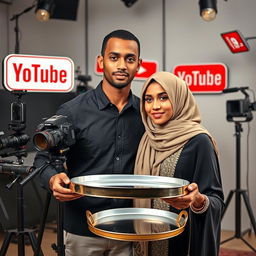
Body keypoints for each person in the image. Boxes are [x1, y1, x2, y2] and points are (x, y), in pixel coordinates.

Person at [33, 29, 145, 256]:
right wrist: (53, 179)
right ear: (101, 61)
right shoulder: (73, 111)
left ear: (138, 64)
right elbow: (42, 160)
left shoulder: (146, 114)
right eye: (114, 57)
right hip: (81, 230)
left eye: (129, 59)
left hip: (129, 230)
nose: (122, 65)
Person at [133, 71, 224, 256]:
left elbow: (215, 200)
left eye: (164, 97)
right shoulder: (147, 138)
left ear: (179, 98)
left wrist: (198, 200)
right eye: (148, 99)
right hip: (145, 242)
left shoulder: (199, 141)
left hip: (181, 243)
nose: (155, 106)